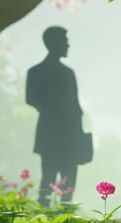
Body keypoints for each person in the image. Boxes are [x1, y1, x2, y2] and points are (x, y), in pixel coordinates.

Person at [26, 26, 86, 205]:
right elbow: (75, 108)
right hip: (62, 132)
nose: (68, 45)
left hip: (51, 131)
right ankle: (61, 212)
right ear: (54, 43)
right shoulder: (65, 74)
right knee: (60, 176)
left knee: (51, 175)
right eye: (64, 41)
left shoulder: (37, 72)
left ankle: (48, 210)